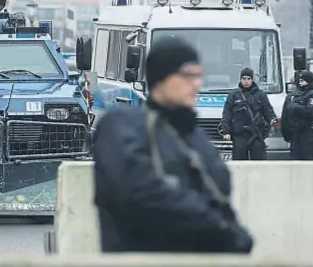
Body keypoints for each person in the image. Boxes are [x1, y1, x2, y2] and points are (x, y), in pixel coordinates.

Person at [92, 37, 253, 254]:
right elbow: (143, 194)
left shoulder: (195, 136)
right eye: (187, 75)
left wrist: (234, 234)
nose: (196, 84)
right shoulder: (121, 126)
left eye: (198, 76)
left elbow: (219, 197)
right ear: (161, 78)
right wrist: (220, 230)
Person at [220, 68, 277, 160]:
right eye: (244, 79)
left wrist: (272, 119)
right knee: (239, 162)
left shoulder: (260, 95)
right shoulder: (234, 95)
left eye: (248, 79)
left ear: (252, 80)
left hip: (255, 133)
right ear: (240, 80)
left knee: (259, 161)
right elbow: (227, 114)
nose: (246, 81)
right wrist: (226, 131)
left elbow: (267, 109)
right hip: (239, 134)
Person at [281, 71, 313, 160]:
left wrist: (295, 107)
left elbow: (311, 111)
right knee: (296, 161)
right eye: (299, 81)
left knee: (311, 161)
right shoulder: (293, 95)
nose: (300, 83)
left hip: (311, 134)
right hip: (296, 135)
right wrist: (287, 133)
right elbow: (285, 116)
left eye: (303, 81)